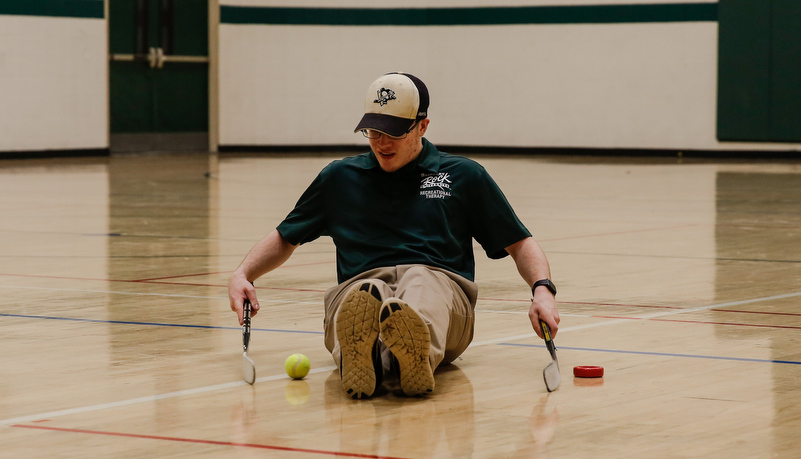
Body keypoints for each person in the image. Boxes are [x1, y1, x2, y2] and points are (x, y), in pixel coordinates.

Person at [228, 72, 560, 398]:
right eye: (373, 132)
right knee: (362, 292)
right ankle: (376, 359)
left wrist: (542, 291)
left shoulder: (463, 176)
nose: (382, 143)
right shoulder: (340, 177)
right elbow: (286, 236)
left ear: (423, 126)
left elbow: (519, 242)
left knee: (419, 279)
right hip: (361, 286)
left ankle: (406, 353)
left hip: (442, 291)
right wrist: (244, 274)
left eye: (395, 133)